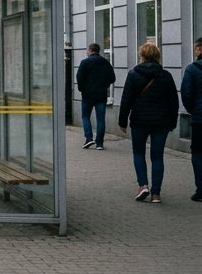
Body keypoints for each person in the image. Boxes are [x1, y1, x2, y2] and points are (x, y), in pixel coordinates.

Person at [117, 41, 178, 204]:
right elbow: (173, 101)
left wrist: (122, 120)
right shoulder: (165, 75)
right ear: (157, 56)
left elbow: (126, 100)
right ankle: (156, 194)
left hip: (139, 121)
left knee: (139, 153)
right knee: (157, 157)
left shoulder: (133, 74)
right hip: (161, 122)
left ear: (142, 56)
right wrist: (172, 122)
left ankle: (143, 185)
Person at [76, 42, 115, 150]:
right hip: (101, 95)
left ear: (90, 50)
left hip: (87, 95)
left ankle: (89, 138)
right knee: (101, 119)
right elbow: (112, 78)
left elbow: (79, 77)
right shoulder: (105, 63)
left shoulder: (85, 62)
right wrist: (104, 85)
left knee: (85, 116)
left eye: (87, 50)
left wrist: (82, 89)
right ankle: (100, 143)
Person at [180, 38, 202, 202]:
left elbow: (186, 94)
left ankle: (201, 189)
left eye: (196, 48)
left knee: (198, 153)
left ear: (200, 50)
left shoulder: (192, 69)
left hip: (200, 118)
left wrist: (192, 111)